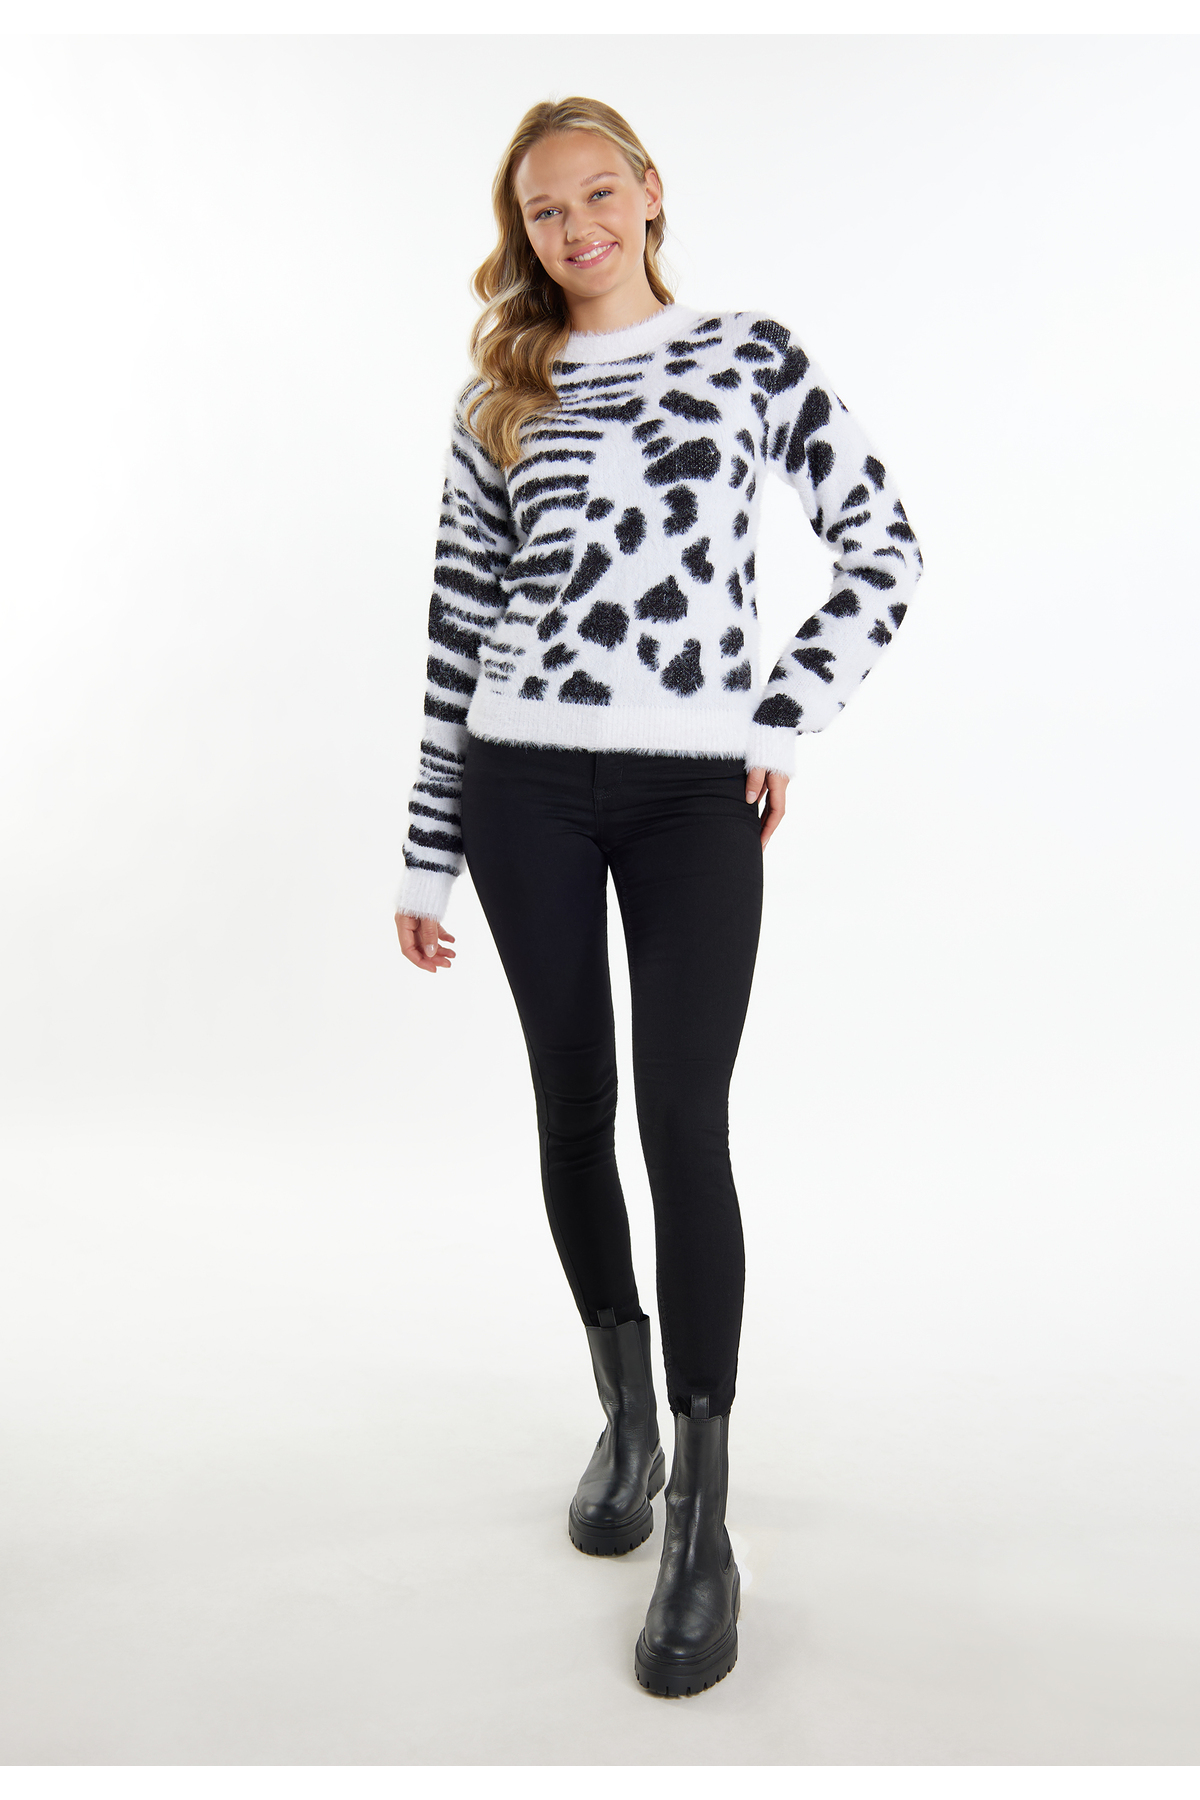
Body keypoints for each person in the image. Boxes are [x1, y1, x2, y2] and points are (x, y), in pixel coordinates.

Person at [393, 95, 924, 1698]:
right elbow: (454, 624)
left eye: (598, 194)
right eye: (544, 210)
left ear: (649, 192)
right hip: (521, 786)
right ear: (524, 230)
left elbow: (884, 547)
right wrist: (427, 847)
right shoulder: (503, 392)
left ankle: (702, 1509)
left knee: (685, 1123)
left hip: (695, 793)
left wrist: (779, 716)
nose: (577, 228)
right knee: (574, 1107)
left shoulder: (750, 357)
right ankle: (623, 1421)